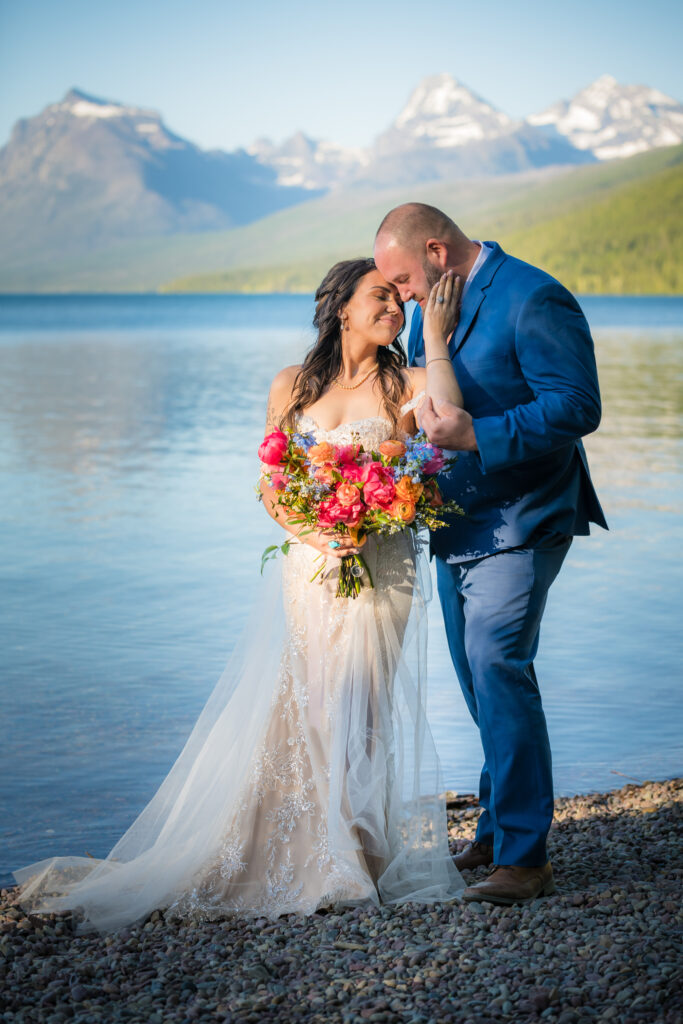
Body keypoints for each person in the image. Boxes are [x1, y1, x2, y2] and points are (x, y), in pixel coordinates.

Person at [14, 257, 467, 932]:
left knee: (363, 703)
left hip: (385, 563)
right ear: (340, 306)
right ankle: (321, 855)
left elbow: (450, 419)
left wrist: (435, 333)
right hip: (311, 566)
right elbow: (272, 487)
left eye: (397, 302)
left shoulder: (405, 383)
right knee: (314, 704)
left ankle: (357, 856)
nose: (393, 309)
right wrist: (316, 534)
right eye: (381, 298)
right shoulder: (290, 384)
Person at [374, 204, 607, 906]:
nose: (403, 297)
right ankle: (495, 827)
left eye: (406, 279)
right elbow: (428, 400)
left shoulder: (533, 296)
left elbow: (575, 406)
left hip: (523, 517)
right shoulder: (429, 308)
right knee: (478, 683)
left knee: (498, 668)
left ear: (437, 251)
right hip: (454, 523)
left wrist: (479, 436)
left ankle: (524, 857)